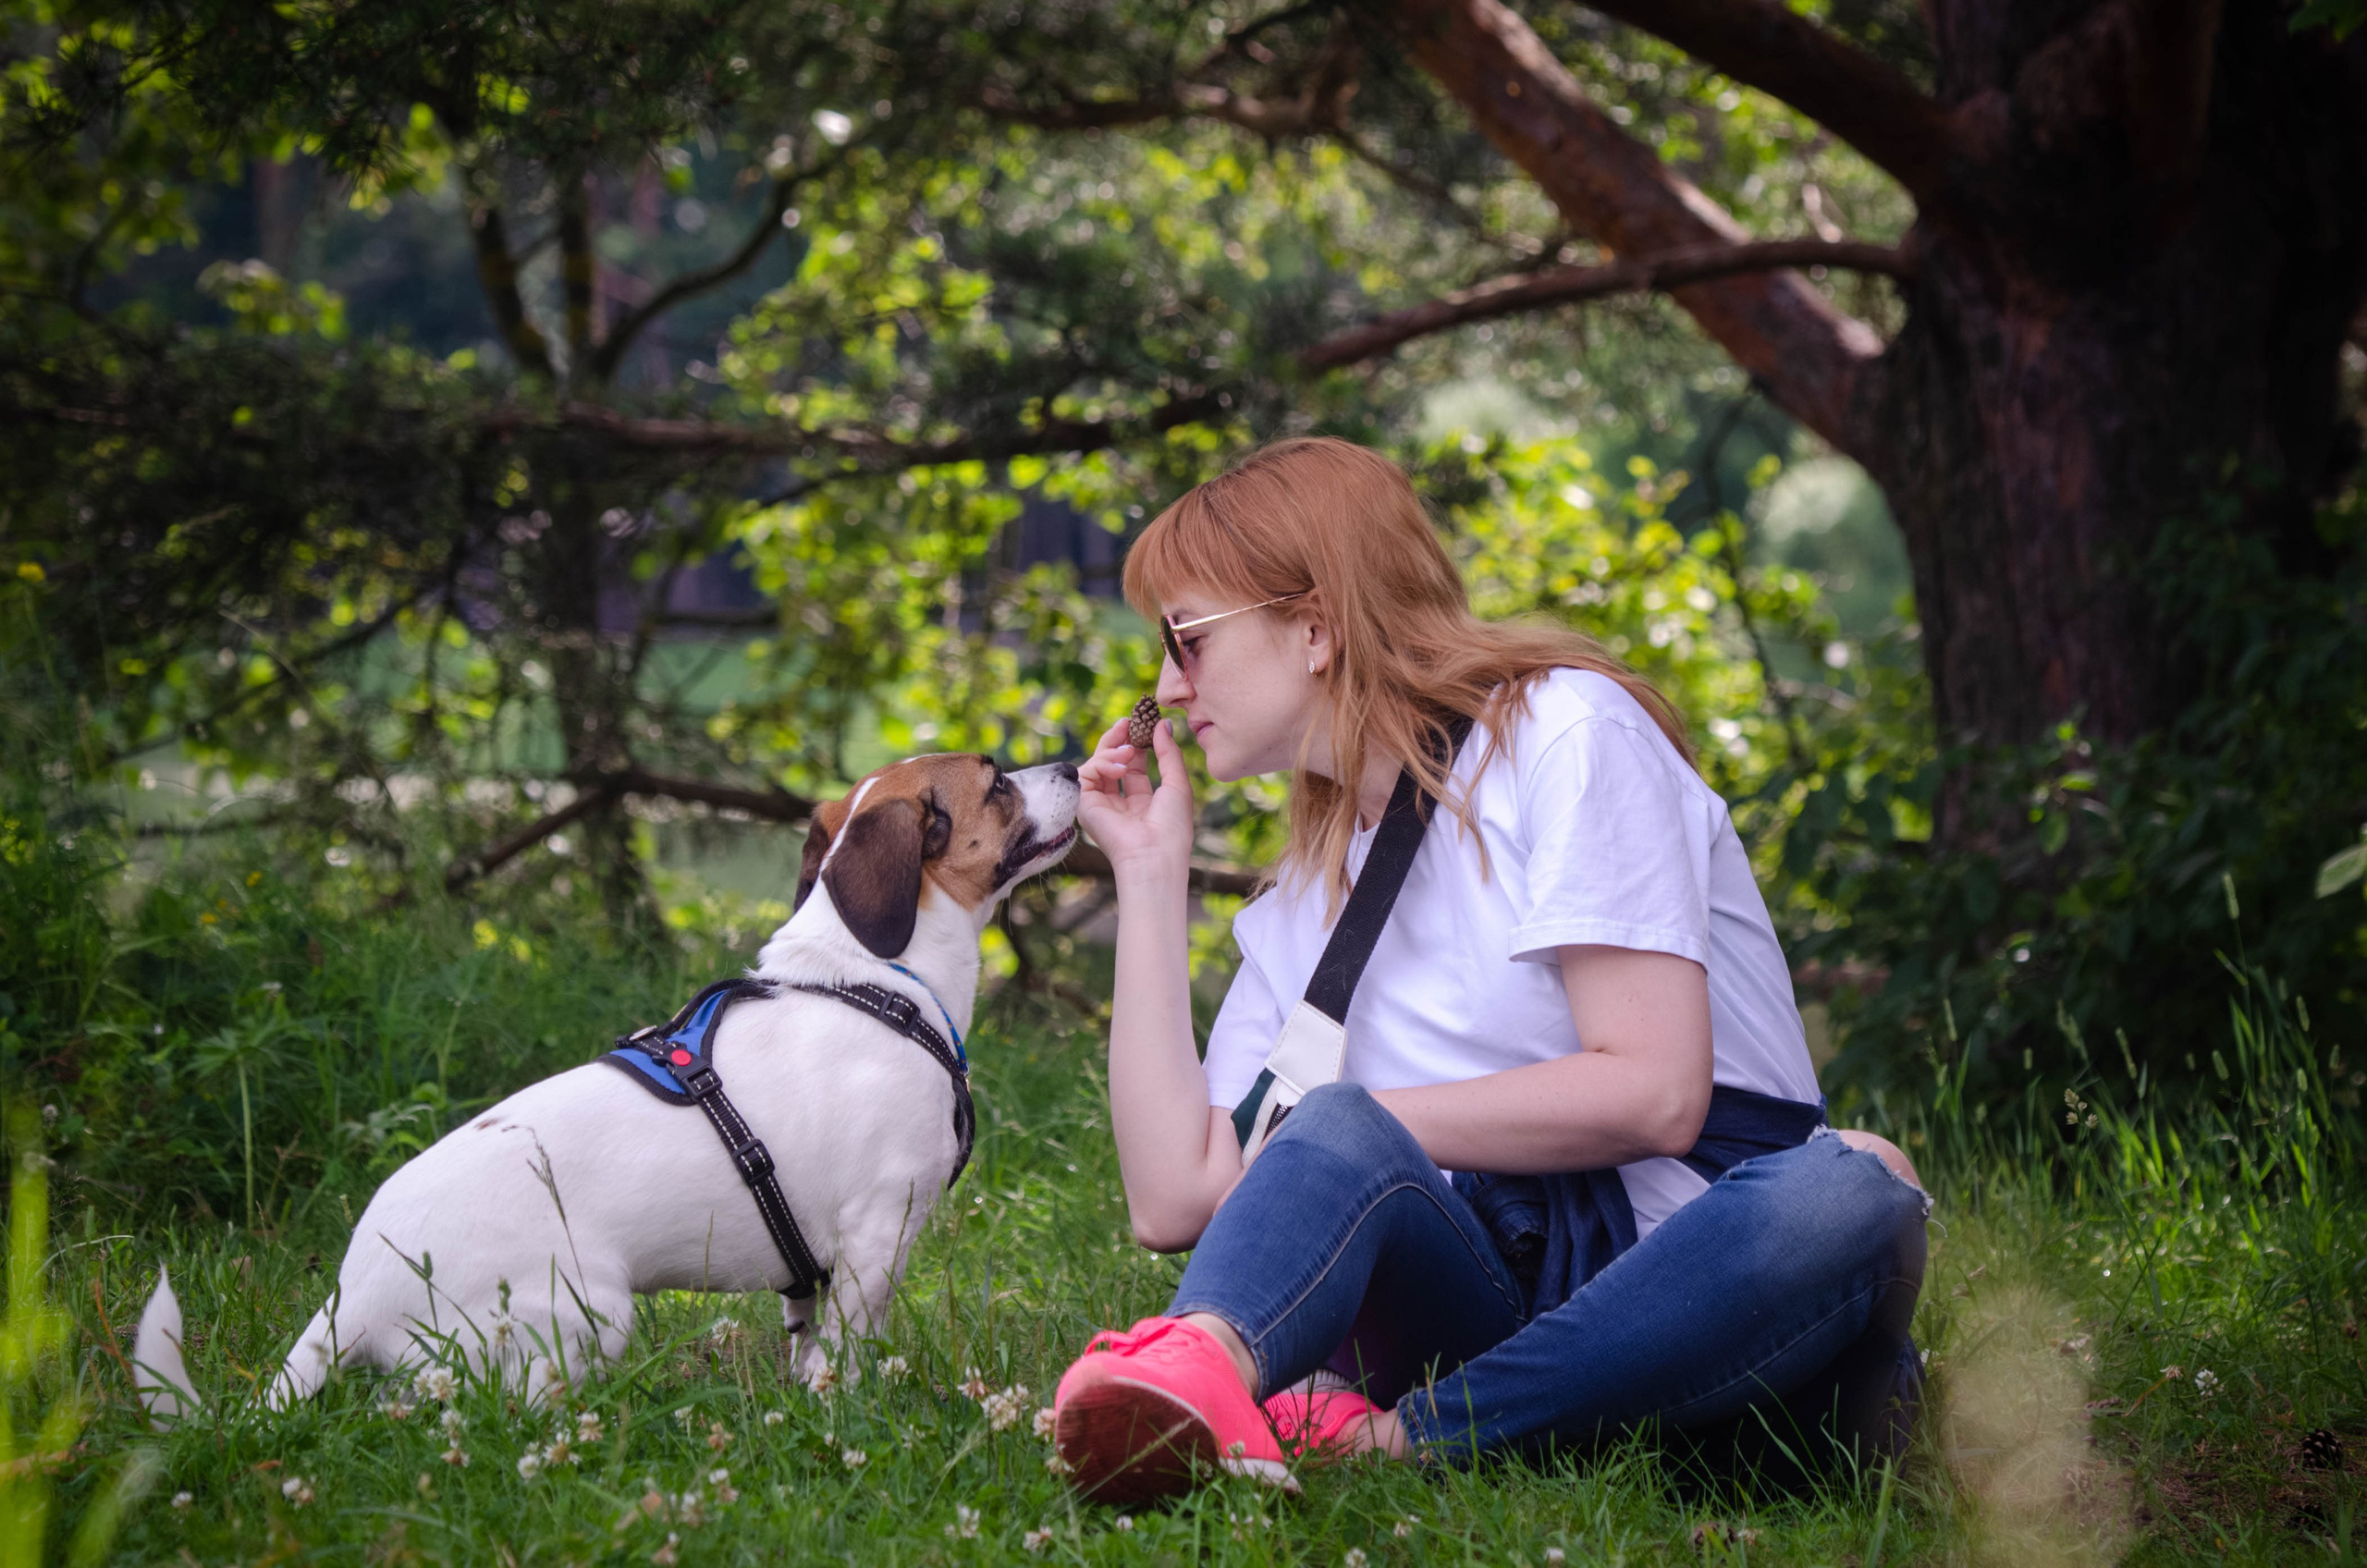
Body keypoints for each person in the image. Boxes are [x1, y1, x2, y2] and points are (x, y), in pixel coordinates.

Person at [1049, 436, 1930, 1502]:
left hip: (1722, 1317)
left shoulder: (1564, 735)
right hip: (1489, 1305)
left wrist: (1355, 1120)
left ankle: (1398, 1440)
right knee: (1336, 1123)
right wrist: (1148, 872)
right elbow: (1173, 1198)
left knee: (1856, 1184)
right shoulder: (1306, 907)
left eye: (1186, 640)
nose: (1164, 685)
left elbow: (1654, 1092)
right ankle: (1202, 1371)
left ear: (1316, 627)